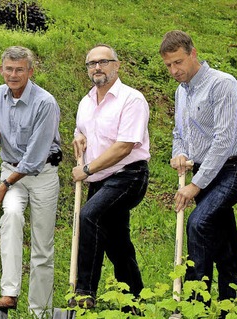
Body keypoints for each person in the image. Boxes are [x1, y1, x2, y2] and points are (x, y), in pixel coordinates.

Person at [159, 30, 237, 307]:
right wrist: (179, 154)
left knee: (198, 223)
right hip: (203, 171)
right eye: (168, 65)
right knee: (224, 243)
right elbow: (179, 133)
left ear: (193, 53)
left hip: (232, 170)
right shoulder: (181, 92)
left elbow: (224, 140)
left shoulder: (223, 84)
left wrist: (195, 185)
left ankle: (195, 302)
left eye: (178, 62)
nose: (174, 70)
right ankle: (233, 304)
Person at [70, 44, 150, 310]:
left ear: (117, 65)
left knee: (89, 216)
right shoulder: (86, 101)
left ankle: (84, 292)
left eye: (103, 62)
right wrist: (78, 138)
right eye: (91, 64)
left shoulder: (132, 99)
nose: (97, 68)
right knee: (117, 243)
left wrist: (87, 169)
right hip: (99, 180)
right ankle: (134, 301)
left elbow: (124, 147)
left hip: (128, 176)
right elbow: (81, 131)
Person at [0, 46, 62, 318]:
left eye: (19, 69)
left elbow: (34, 159)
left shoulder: (45, 103)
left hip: (42, 176)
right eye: (9, 68)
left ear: (30, 71)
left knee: (42, 245)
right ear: (2, 69)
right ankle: (10, 292)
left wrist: (4, 185)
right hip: (10, 170)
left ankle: (39, 310)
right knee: (12, 216)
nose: (13, 74)